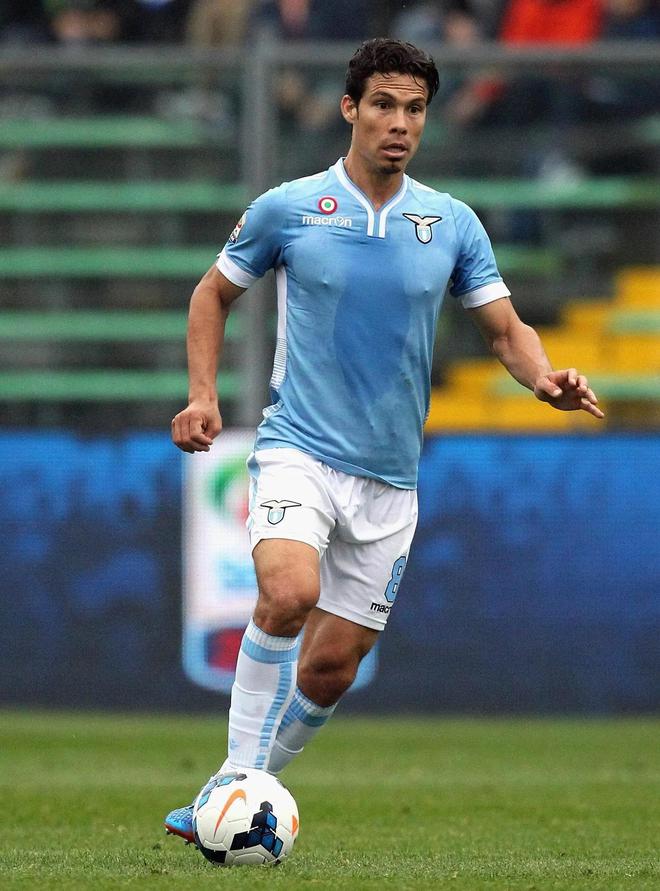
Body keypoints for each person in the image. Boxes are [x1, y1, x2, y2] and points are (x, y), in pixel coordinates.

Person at [165, 37, 604, 846]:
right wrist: (201, 394)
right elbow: (211, 294)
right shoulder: (289, 207)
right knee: (288, 594)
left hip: (391, 480)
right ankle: (232, 786)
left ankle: (234, 798)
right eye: (384, 106)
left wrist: (545, 378)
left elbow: (506, 330)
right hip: (298, 448)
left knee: (331, 669)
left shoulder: (452, 223)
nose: (399, 124)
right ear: (350, 109)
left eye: (415, 109)